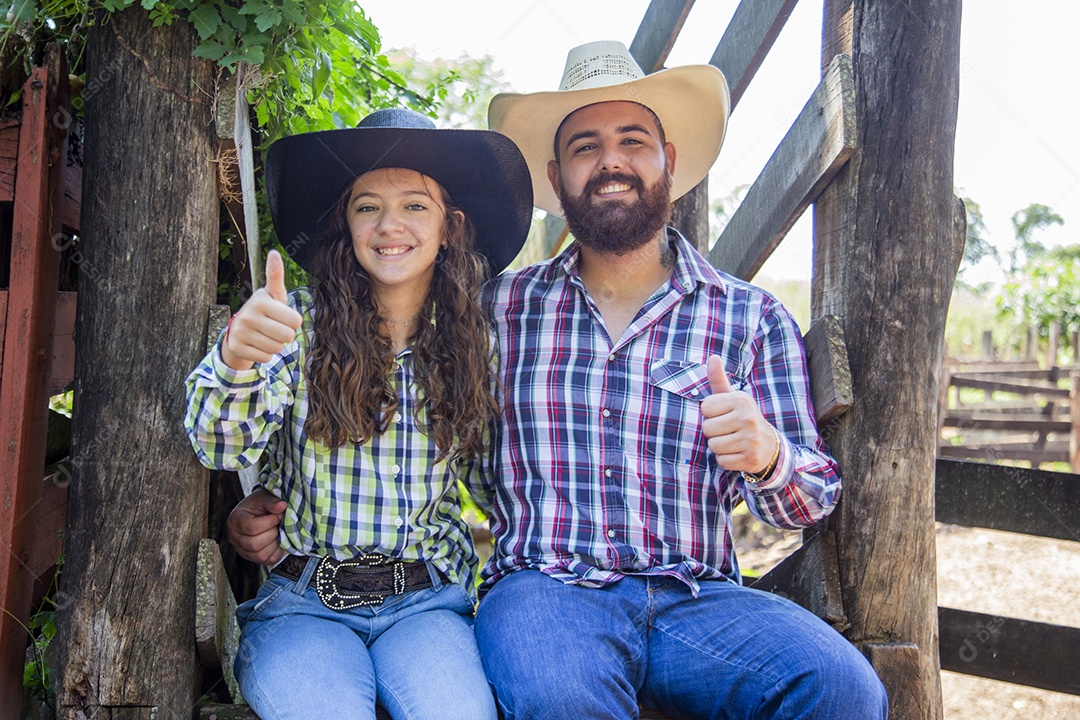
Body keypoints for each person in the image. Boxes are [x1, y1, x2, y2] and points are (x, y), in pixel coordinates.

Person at [230, 42, 889, 719]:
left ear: (667, 157)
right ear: (557, 174)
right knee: (560, 695)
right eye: (585, 146)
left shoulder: (751, 318)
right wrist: (274, 496)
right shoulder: (493, 311)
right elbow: (402, 427)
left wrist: (769, 456)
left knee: (843, 688)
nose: (610, 160)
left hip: (699, 600)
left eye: (632, 140)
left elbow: (807, 503)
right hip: (547, 591)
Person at [184, 107, 532, 720]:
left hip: (428, 605)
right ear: (345, 224)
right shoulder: (294, 326)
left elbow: (503, 485)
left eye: (414, 206)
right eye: (367, 205)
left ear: (450, 226)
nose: (389, 225)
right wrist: (238, 359)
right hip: (302, 602)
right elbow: (220, 446)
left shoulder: (478, 345)